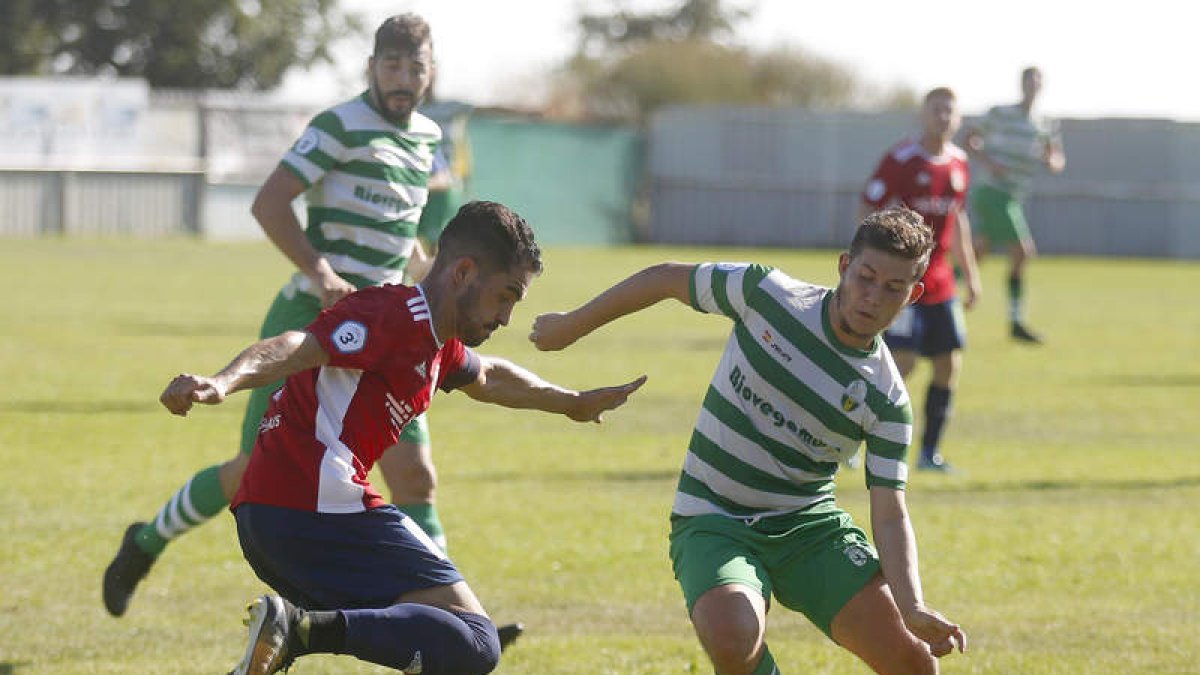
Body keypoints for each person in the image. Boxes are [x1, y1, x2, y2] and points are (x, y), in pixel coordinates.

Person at [102, 14, 521, 646]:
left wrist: (430, 282)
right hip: (313, 321)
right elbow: (269, 202)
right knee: (253, 471)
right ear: (371, 67)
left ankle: (447, 616)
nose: (403, 79)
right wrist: (322, 271)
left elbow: (402, 237)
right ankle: (145, 539)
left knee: (416, 477)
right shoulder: (337, 126)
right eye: (391, 65)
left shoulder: (428, 138)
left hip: (397, 330)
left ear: (431, 71)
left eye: (415, 67)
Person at [159, 200, 646, 674]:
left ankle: (294, 633)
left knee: (445, 640)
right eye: (506, 296)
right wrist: (223, 380)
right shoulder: (389, 313)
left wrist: (573, 403)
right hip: (311, 504)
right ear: (463, 272)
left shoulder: (438, 343)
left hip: (275, 519)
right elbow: (299, 345)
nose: (505, 318)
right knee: (476, 640)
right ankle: (299, 630)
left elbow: (490, 378)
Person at [530, 207, 966, 674]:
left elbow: (890, 510)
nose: (872, 297)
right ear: (844, 266)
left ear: (914, 294)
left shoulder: (886, 398)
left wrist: (913, 604)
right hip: (714, 514)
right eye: (866, 277)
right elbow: (664, 278)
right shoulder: (768, 295)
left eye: (893, 288)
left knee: (914, 663)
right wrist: (570, 326)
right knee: (733, 634)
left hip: (807, 528)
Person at [859, 87, 981, 472]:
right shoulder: (902, 159)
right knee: (902, 364)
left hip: (942, 282)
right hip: (903, 285)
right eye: (936, 109)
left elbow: (958, 220)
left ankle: (930, 453)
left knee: (949, 364)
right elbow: (868, 205)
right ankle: (853, 438)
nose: (943, 116)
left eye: (950, 110)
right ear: (923, 115)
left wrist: (971, 275)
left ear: (957, 118)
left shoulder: (959, 163)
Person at [964, 66, 1066, 344]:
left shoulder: (1045, 122)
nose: (1033, 86)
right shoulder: (1001, 113)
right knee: (1023, 252)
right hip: (993, 192)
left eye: (1037, 82)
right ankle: (1016, 320)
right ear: (1021, 84)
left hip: (1014, 196)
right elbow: (969, 137)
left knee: (978, 252)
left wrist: (1051, 161)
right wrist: (989, 163)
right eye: (1029, 81)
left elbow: (1056, 157)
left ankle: (941, 288)